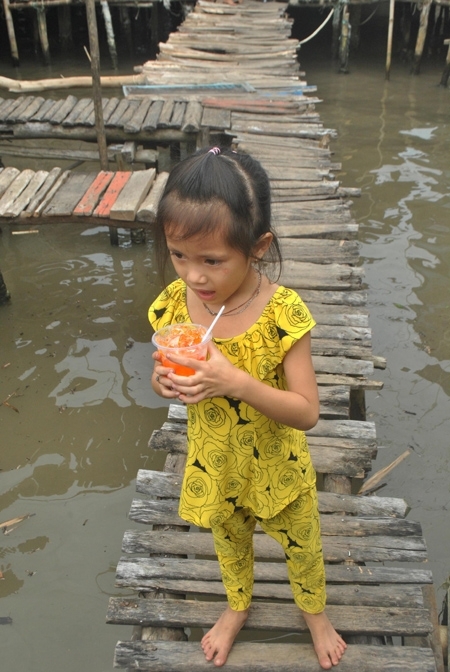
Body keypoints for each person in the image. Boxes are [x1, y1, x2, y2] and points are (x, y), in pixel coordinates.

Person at [148, 146, 347, 669]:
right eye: (179, 255)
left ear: (258, 247)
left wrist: (236, 380)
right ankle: (237, 604)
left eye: (213, 260)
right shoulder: (176, 304)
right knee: (229, 541)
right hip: (216, 459)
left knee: (302, 544)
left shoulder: (282, 314)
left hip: (277, 464)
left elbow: (306, 412)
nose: (195, 276)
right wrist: (163, 383)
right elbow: (163, 380)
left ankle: (315, 612)